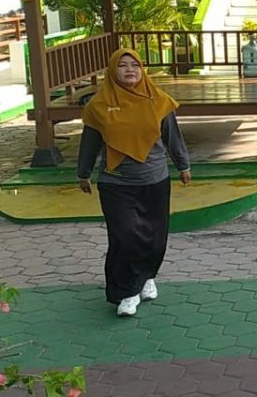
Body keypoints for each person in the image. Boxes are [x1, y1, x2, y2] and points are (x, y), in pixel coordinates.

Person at [77, 49, 191, 317]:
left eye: (135, 65)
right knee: (126, 236)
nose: (130, 70)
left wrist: (183, 164)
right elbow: (90, 143)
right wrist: (84, 173)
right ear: (112, 71)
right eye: (122, 65)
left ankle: (147, 276)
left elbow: (173, 137)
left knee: (154, 237)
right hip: (115, 182)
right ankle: (126, 292)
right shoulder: (98, 106)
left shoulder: (158, 101)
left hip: (155, 180)